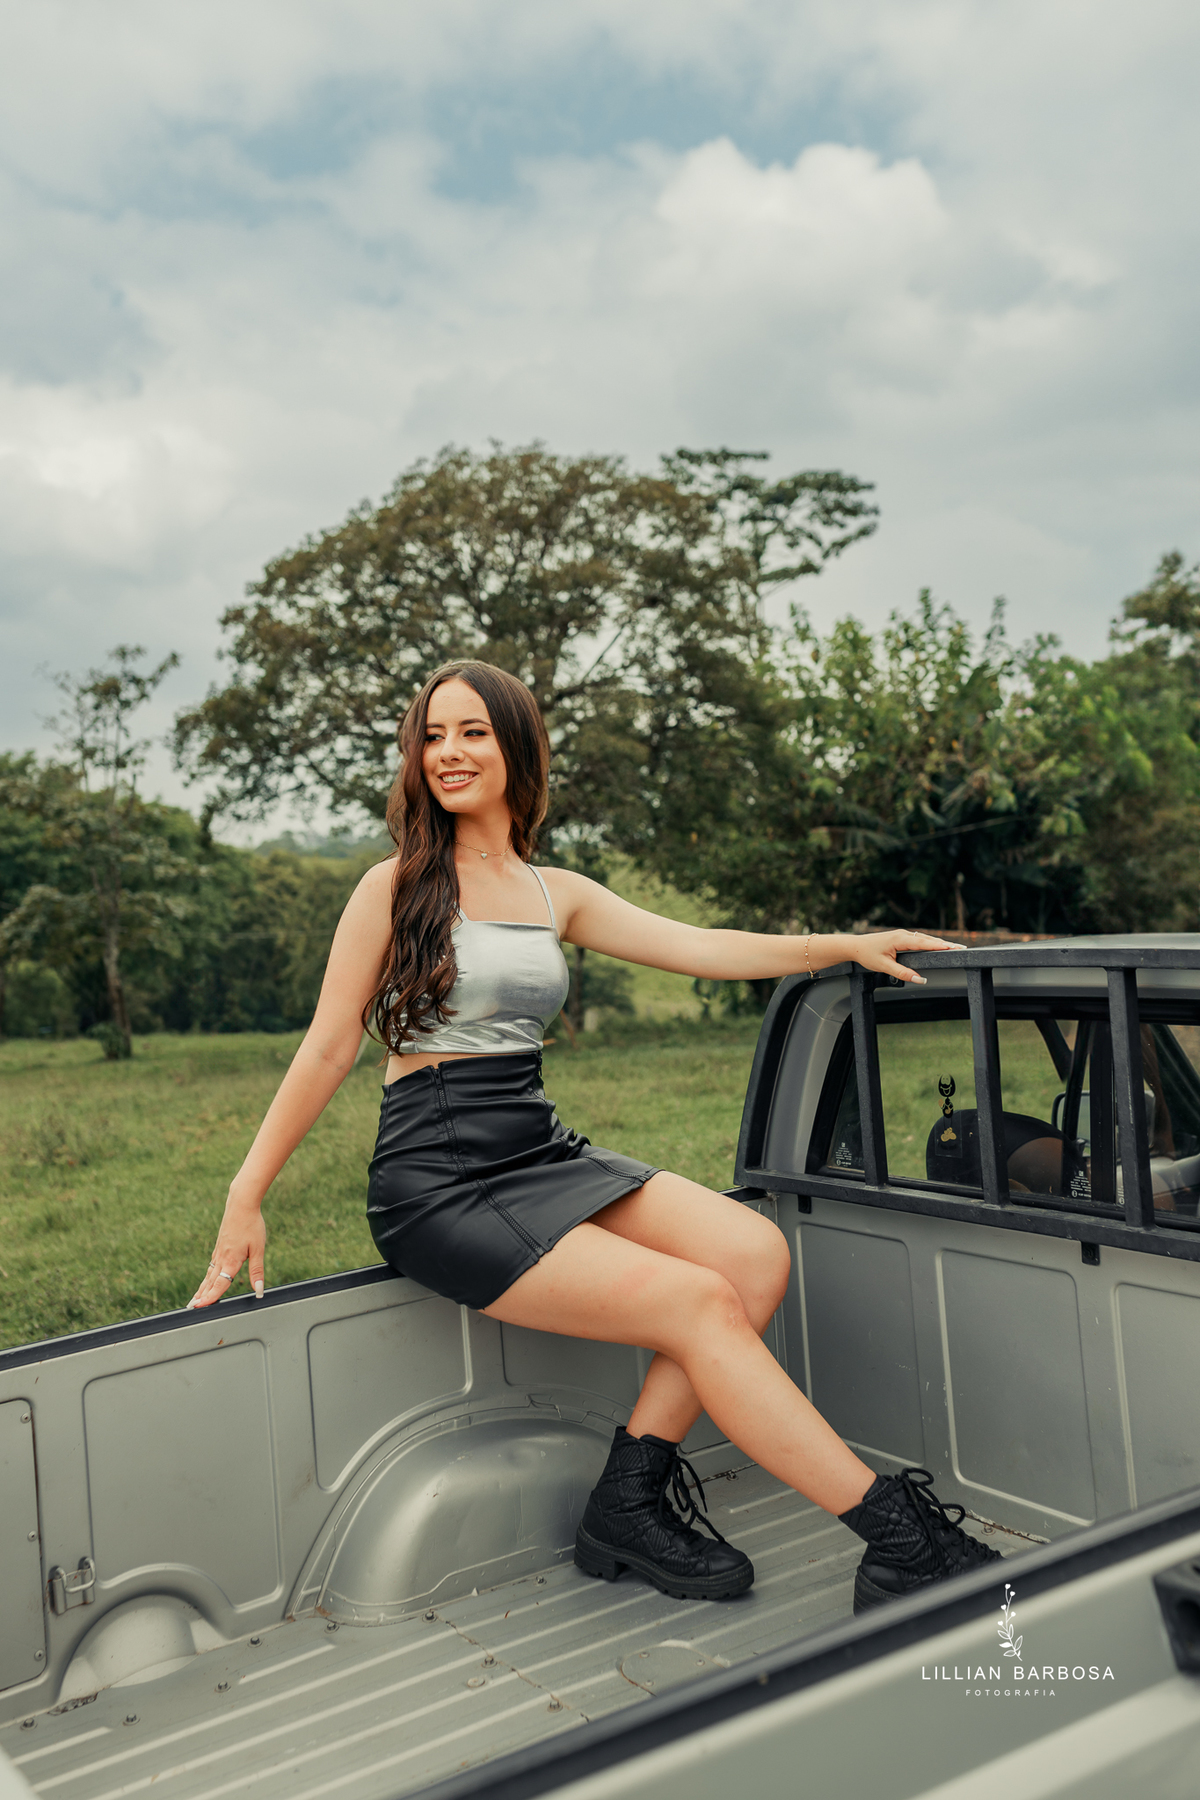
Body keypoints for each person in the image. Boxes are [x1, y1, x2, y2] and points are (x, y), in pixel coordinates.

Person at [190, 660, 1001, 1614]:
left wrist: (842, 945)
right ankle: (900, 1540)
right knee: (698, 1303)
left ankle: (627, 1506)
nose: (447, 753)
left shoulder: (551, 892)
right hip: (438, 1176)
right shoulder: (395, 885)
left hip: (534, 1145)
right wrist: (247, 1194)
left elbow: (701, 946)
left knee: (751, 1254)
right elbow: (330, 1046)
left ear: (516, 747)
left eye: (472, 733)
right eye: (432, 735)